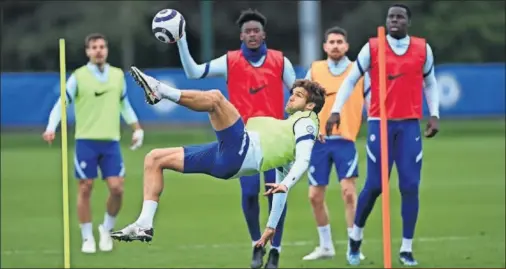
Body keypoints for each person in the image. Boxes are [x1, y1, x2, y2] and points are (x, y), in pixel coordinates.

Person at [111, 68, 324, 264]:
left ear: (310, 106)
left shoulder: (307, 122)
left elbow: (304, 159)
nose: (292, 96)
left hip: (239, 151)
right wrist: (270, 227)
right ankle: (144, 224)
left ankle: (160, 91)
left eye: (298, 95)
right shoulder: (290, 129)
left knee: (215, 99)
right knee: (154, 158)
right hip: (225, 159)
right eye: (293, 92)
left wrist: (286, 184)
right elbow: (279, 192)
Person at [175, 8, 296, 268]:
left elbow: (298, 95)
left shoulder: (280, 61)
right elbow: (194, 73)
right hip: (245, 140)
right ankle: (257, 244)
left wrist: (303, 125)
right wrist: (181, 39)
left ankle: (276, 249)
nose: (252, 35)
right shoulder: (229, 61)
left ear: (264, 35)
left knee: (276, 194)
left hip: (276, 138)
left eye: (256, 31)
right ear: (241, 36)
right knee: (250, 193)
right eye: (247, 31)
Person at [326, 4, 440, 266]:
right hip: (381, 123)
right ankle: (355, 238)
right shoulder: (373, 47)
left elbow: (430, 81)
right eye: (391, 17)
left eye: (400, 17)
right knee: (375, 186)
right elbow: (351, 80)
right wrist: (335, 110)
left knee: (410, 186)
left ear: (408, 22)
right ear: (386, 21)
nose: (394, 21)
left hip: (409, 124)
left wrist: (434, 114)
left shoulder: (422, 48)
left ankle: (406, 249)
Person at [42, 33, 145, 254]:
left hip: (111, 142)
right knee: (85, 188)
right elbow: (62, 103)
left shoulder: (117, 76)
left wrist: (137, 128)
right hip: (86, 141)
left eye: (102, 46)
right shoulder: (78, 77)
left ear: (106, 50)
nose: (98, 50)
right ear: (88, 51)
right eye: (94, 47)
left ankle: (106, 229)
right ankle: (87, 237)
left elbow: (124, 105)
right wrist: (52, 127)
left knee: (117, 189)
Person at [301, 26, 368, 261]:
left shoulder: (357, 71)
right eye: (332, 42)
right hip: (318, 141)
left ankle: (354, 246)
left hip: (345, 140)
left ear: (347, 46)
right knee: (314, 196)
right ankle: (326, 246)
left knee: (349, 193)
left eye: (340, 41)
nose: (336, 45)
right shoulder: (315, 70)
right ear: (325, 47)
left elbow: (370, 100)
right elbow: (302, 100)